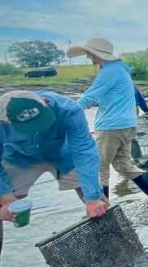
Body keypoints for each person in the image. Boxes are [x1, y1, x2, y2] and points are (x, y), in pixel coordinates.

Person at [67, 38, 148, 205]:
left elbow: (87, 98)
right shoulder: (120, 69)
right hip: (127, 125)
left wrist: (65, 112)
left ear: (95, 54)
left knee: (99, 166)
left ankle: (103, 211)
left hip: (110, 127)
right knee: (124, 166)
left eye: (89, 54)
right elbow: (113, 98)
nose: (88, 58)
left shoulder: (109, 71)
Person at [0, 91, 109, 222]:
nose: (36, 130)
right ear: (4, 121)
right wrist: (5, 197)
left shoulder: (68, 109)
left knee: (96, 197)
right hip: (19, 157)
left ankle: (112, 236)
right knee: (3, 204)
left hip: (63, 154)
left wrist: (92, 197)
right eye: (27, 128)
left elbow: (84, 150)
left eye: (40, 123)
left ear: (45, 102)